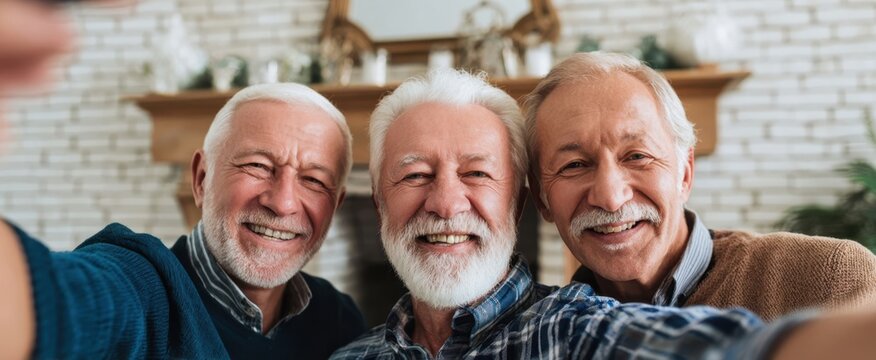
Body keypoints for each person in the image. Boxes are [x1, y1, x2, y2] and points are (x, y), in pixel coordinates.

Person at [331, 69, 826, 359]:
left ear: (520, 202)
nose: (444, 203)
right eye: (415, 175)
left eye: (477, 174)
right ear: (379, 201)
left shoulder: (567, 327)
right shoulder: (350, 355)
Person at [523, 52, 876, 320]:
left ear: (685, 173)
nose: (611, 198)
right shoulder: (547, 331)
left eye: (636, 156)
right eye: (574, 165)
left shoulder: (830, 279)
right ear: (542, 200)